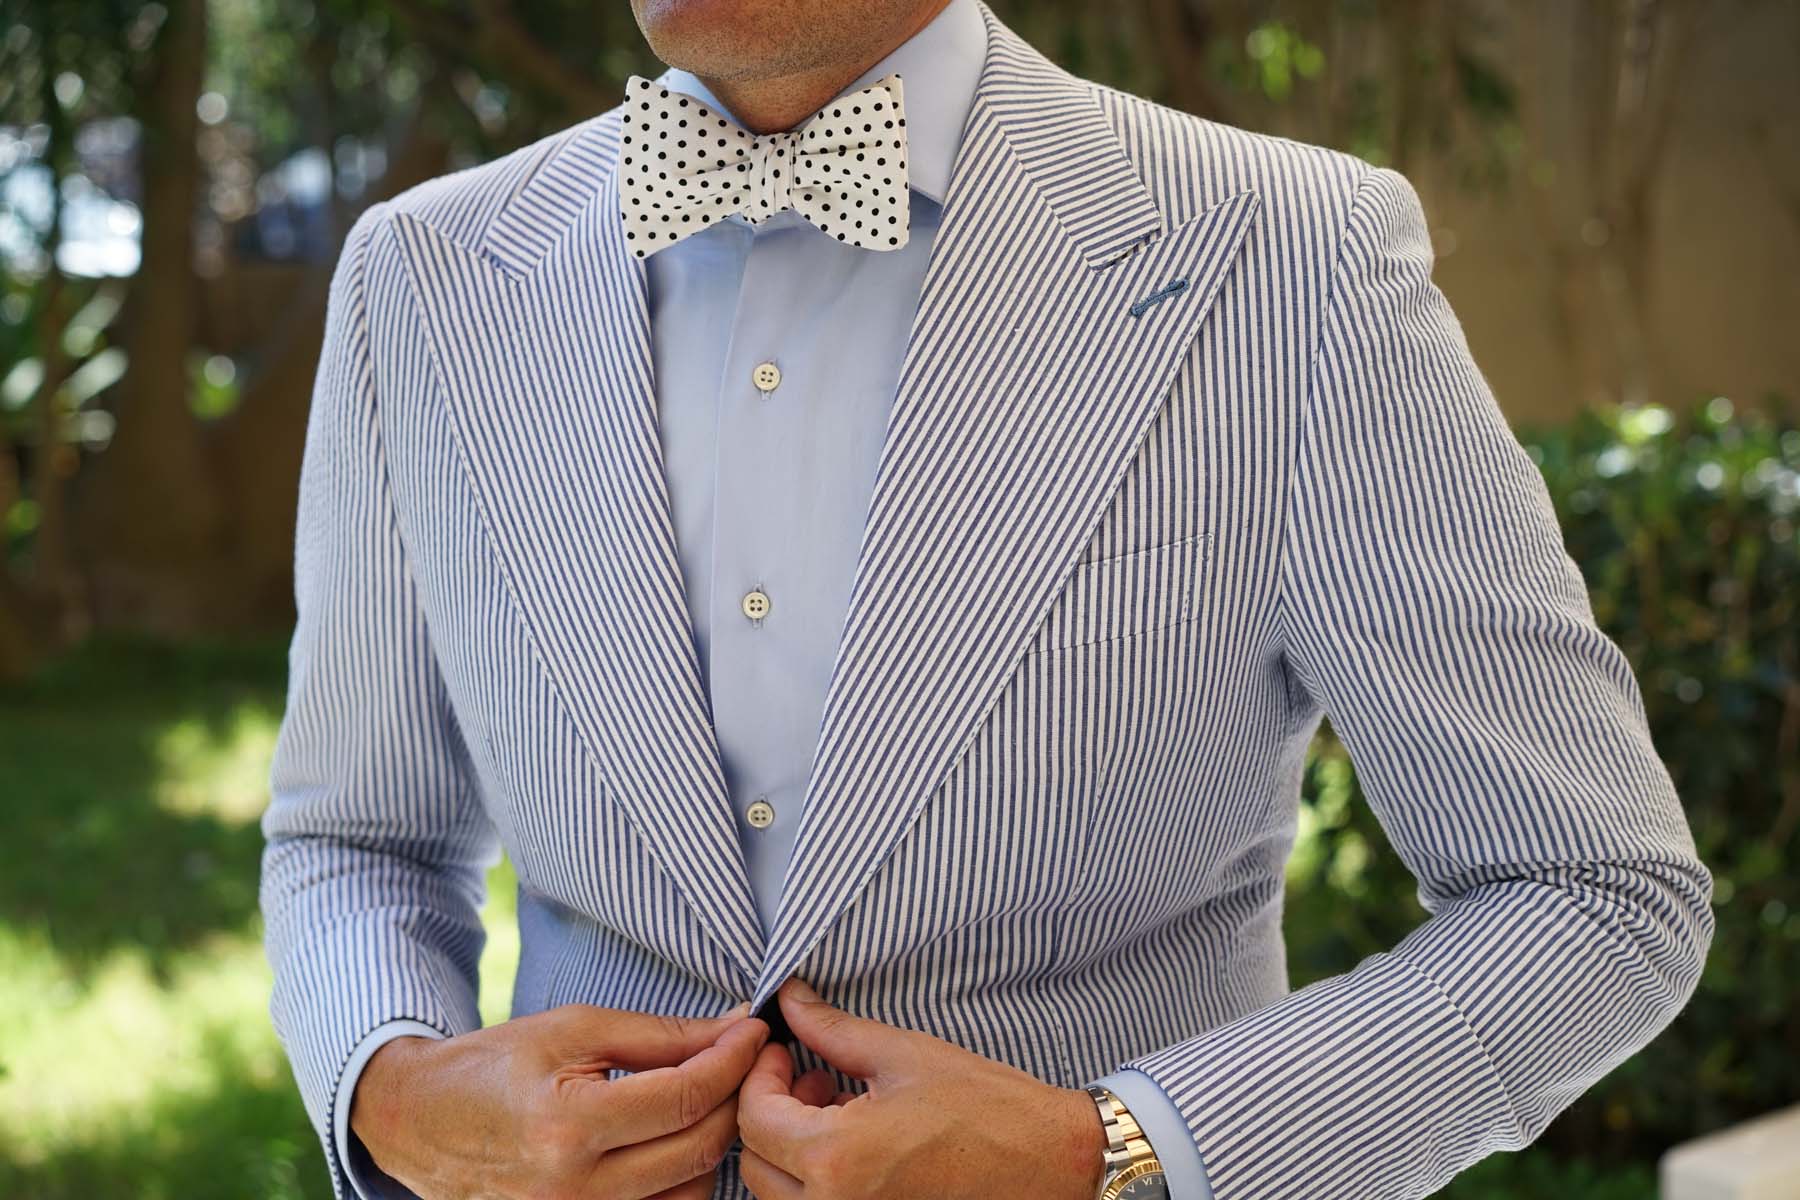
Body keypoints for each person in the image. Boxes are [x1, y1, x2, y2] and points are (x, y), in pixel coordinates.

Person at [259, 0, 1715, 1197]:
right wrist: (390, 1086)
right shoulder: (425, 277)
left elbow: (1595, 890)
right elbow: (357, 836)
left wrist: (1121, 1150)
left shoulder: (1289, 262)